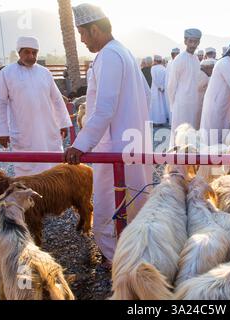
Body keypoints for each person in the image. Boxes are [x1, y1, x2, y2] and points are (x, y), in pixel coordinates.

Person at [64, 3, 152, 266]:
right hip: (131, 142)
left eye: (82, 33)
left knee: (106, 205)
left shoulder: (109, 55)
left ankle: (118, 262)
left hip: (113, 146)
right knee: (135, 199)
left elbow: (103, 109)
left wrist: (80, 145)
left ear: (94, 29)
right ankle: (136, 255)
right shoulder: (123, 52)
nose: (81, 39)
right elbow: (145, 96)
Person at [0, 36, 72, 177]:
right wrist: (1, 131)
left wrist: (62, 123)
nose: (31, 56)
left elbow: (57, 99)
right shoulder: (7, 73)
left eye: (34, 53)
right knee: (27, 171)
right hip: (24, 131)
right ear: (19, 52)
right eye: (27, 52)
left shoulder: (45, 72)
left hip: (48, 129)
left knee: (54, 170)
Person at [167, 28, 202, 145]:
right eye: (191, 41)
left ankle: (191, 161)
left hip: (194, 103)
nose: (193, 44)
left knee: (192, 134)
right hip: (181, 104)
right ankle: (176, 160)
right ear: (185, 41)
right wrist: (173, 104)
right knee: (179, 135)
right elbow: (171, 86)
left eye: (196, 42)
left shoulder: (196, 59)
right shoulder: (179, 59)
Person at [196, 58, 216, 129]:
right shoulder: (202, 75)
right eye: (212, 68)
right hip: (198, 103)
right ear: (206, 67)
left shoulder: (203, 75)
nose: (212, 71)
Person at [150, 55, 169, 125]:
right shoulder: (164, 68)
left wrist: (159, 87)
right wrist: (162, 87)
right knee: (162, 105)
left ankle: (155, 121)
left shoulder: (153, 68)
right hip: (163, 89)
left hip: (155, 89)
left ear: (155, 61)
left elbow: (154, 79)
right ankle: (162, 120)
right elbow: (165, 79)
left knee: (155, 105)